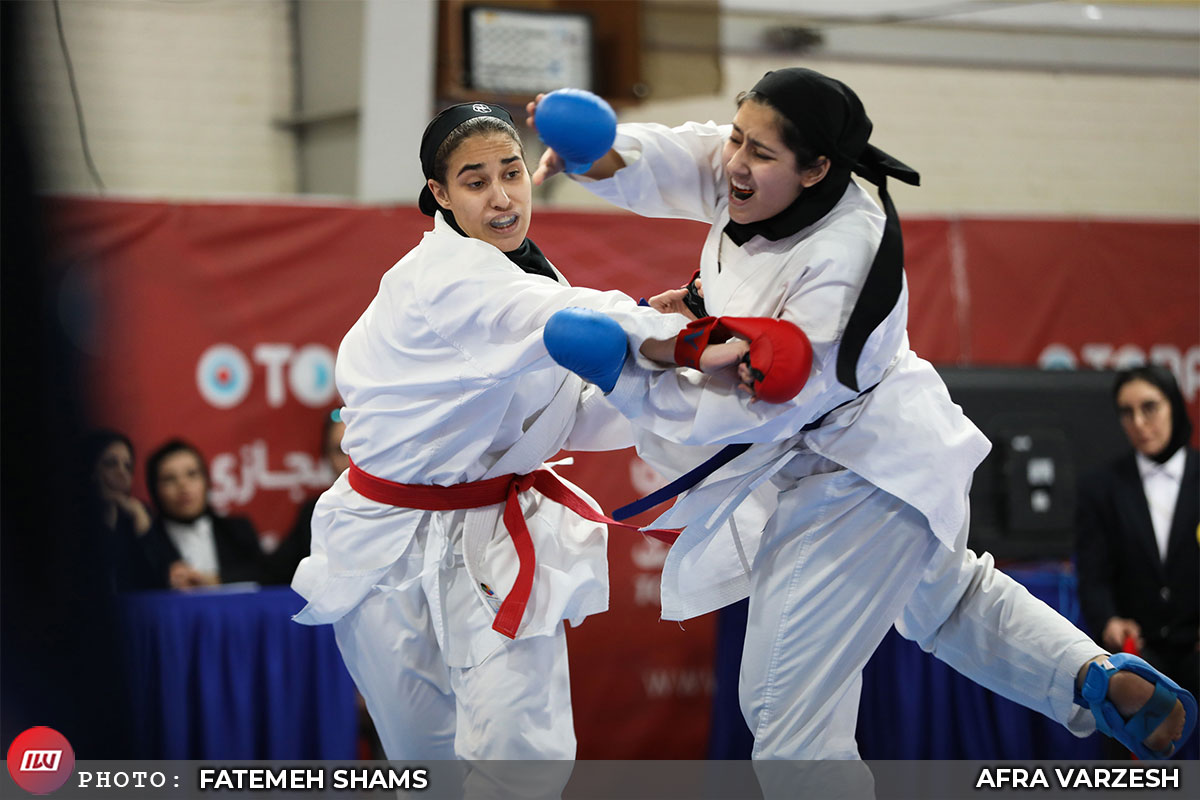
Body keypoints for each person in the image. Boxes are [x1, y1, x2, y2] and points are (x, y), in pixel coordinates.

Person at [530, 67, 1194, 765]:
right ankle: (1090, 678)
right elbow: (681, 161)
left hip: (859, 473)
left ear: (817, 169)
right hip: (888, 449)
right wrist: (599, 153)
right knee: (946, 601)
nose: (736, 162)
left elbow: (753, 409)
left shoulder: (848, 256)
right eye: (737, 137)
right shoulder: (758, 170)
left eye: (759, 152)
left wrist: (634, 359)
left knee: (787, 719)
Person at [288, 101, 702, 770]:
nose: (503, 197)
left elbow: (568, 412)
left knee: (523, 756)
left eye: (512, 172)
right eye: (476, 182)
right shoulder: (447, 279)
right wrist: (698, 339)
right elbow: (579, 317)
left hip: (494, 537)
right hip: (390, 543)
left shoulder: (528, 270)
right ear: (440, 194)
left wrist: (688, 384)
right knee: (426, 763)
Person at [1076, 364, 1199, 759]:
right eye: (1127, 412)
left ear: (1174, 405)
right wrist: (1109, 620)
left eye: (1150, 407)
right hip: (1137, 655)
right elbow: (1093, 575)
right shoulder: (1100, 487)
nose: (1139, 423)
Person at [143, 438, 266, 588]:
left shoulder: (237, 530)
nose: (183, 486)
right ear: (155, 490)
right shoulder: (148, 541)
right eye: (169, 479)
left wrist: (215, 580)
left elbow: (264, 574)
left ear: (206, 481)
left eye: (192, 474)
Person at [263, 409, 348, 585]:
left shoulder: (396, 509)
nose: (350, 460)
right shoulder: (315, 512)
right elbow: (272, 574)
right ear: (327, 457)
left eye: (356, 449)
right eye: (340, 451)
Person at [81, 429, 163, 592]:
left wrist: (142, 526)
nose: (122, 473)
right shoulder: (70, 518)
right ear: (90, 469)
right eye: (110, 464)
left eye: (127, 466)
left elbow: (159, 582)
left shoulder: (137, 513)